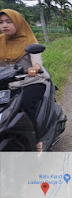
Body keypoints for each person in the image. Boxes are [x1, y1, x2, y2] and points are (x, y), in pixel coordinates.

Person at [0, 9, 44, 152]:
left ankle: (37, 141)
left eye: (9, 21)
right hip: (6, 82)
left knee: (25, 105)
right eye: (1, 22)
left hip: (29, 80)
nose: (4, 25)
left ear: (18, 23)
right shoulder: (0, 41)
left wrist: (35, 68)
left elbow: (37, 60)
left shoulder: (29, 40)